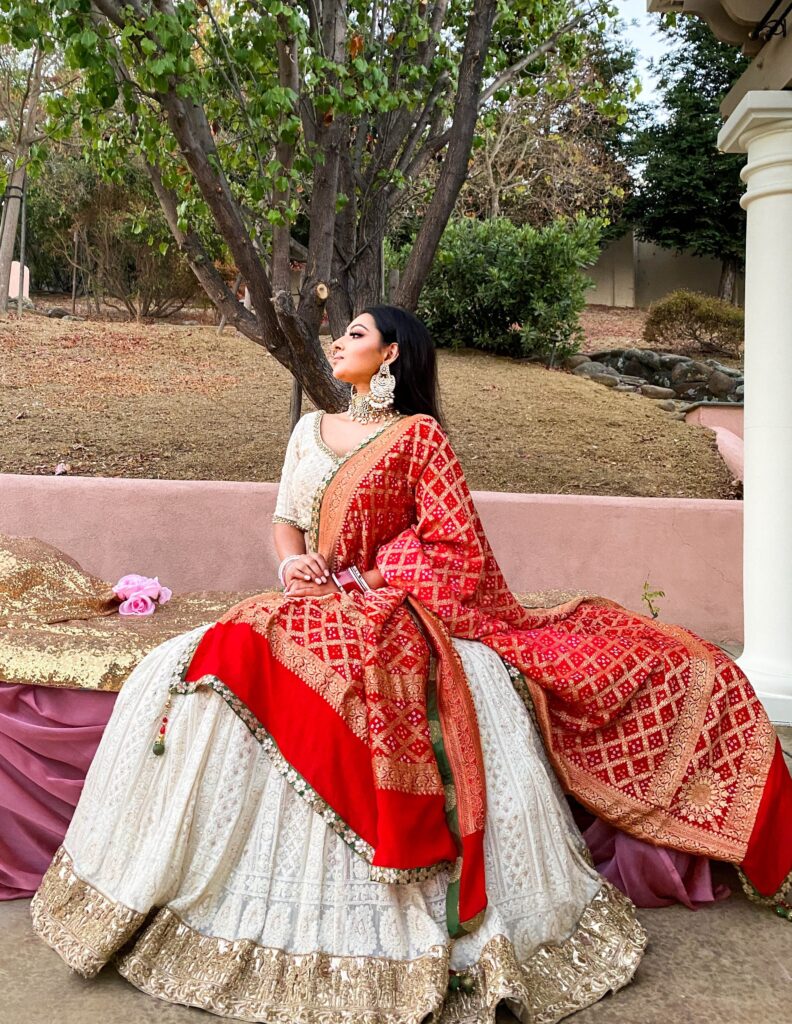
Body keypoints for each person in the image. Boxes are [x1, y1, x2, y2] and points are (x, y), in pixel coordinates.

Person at [31, 306, 790, 1023]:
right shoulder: (308, 430)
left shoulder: (419, 436)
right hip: (319, 593)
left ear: (389, 355)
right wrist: (295, 567)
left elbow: (458, 551)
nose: (337, 340)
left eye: (354, 332)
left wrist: (379, 572)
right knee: (215, 649)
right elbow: (287, 521)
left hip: (394, 604)